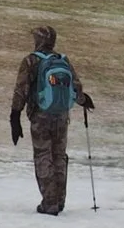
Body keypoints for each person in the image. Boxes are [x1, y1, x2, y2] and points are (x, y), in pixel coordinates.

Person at [10, 24, 93, 215]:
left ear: (38, 40)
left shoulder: (31, 61)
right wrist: (84, 100)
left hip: (40, 117)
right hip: (61, 116)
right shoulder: (62, 60)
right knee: (59, 157)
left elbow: (20, 91)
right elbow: (76, 87)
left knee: (43, 156)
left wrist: (15, 117)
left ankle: (50, 203)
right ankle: (59, 201)